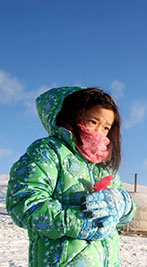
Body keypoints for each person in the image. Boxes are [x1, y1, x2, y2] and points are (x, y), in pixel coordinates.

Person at [6, 87, 136, 266]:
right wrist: (77, 223)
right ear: (72, 116)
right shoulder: (48, 152)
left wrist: (123, 204)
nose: (99, 132)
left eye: (106, 127)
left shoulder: (104, 167)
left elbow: (125, 217)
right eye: (92, 122)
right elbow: (23, 203)